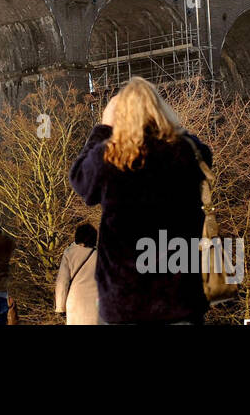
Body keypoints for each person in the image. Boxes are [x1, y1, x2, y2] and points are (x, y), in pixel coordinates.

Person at [69, 76, 210, 325]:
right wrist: (171, 124)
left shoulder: (110, 156)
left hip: (125, 299)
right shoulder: (185, 151)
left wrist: (103, 128)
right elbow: (204, 155)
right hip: (179, 296)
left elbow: (81, 181)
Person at [55, 223, 99, 325]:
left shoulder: (69, 253)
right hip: (96, 305)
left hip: (75, 304)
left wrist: (60, 307)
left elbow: (62, 282)